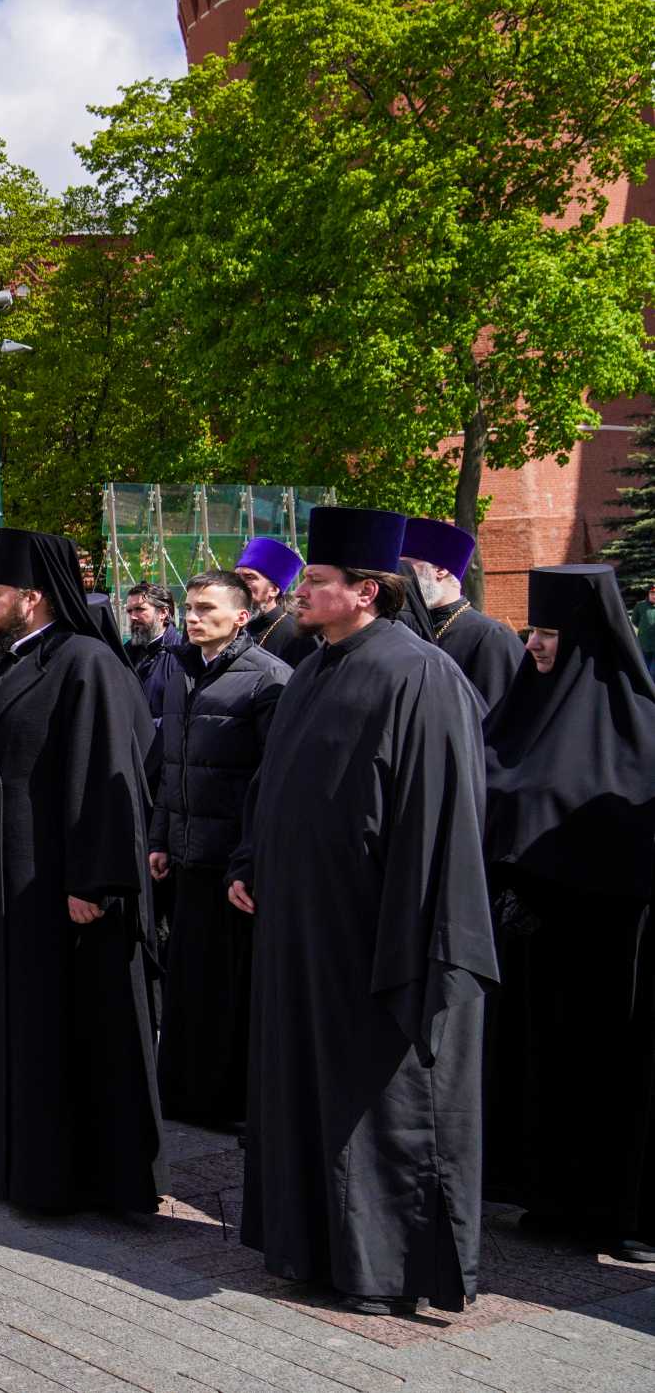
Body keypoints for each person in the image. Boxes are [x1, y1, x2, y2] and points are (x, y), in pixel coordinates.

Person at [230, 506, 496, 1315]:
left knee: (380, 1106)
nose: (301, 591)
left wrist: (416, 938)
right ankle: (312, 1248)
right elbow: (272, 787)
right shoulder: (314, 666)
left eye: (316, 581)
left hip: (379, 934)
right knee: (305, 1092)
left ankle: (383, 1271)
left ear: (368, 592)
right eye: (306, 578)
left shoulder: (419, 674)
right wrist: (252, 861)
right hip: (301, 927)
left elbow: (440, 820)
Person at [0, 528, 161, 1213]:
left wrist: (92, 880)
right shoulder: (8, 662)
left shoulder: (86, 662)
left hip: (57, 889)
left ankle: (61, 1176)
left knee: (56, 1033)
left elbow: (108, 775)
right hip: (3, 888)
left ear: (33, 598)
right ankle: (2, 1159)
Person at [481, 565, 655, 1262]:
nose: (534, 647)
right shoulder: (521, 712)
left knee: (608, 1085)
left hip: (610, 954)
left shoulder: (640, 730)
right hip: (529, 947)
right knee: (538, 1073)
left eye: (550, 633)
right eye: (533, 631)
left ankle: (613, 1210)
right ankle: (545, 1194)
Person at [144, 569, 288, 1127]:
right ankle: (185, 1095)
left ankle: (232, 1102)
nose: (193, 617)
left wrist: (250, 859)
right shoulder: (180, 670)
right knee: (189, 985)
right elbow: (169, 769)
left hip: (231, 863)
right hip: (184, 856)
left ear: (242, 616)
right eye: (189, 608)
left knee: (232, 990)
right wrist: (159, 838)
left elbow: (271, 782)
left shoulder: (268, 679)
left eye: (206, 609)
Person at [400, 517, 523, 713]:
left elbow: (503, 720)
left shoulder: (491, 637)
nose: (398, 577)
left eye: (405, 567)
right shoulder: (403, 630)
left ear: (439, 570)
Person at [233, 536, 314, 667]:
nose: (239, 584)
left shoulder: (296, 635)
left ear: (274, 590)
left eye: (249, 577)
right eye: (236, 577)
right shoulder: (233, 623)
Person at [122, 581, 183, 712]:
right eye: (129, 611)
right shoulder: (125, 652)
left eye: (139, 609)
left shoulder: (181, 654)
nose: (132, 616)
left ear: (162, 613)